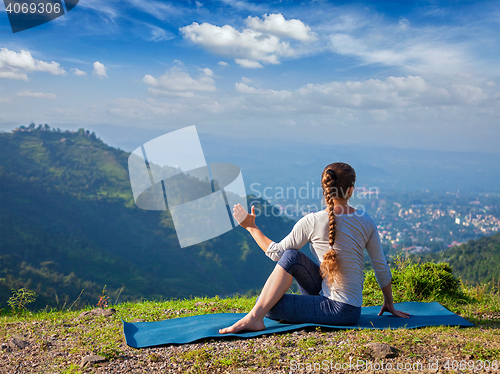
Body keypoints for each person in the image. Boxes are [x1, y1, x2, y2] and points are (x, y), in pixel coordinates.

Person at [219, 162, 409, 334]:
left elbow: (275, 253)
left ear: (324, 188)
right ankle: (258, 316)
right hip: (349, 308)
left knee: (270, 306)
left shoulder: (312, 220)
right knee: (291, 257)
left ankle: (254, 318)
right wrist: (389, 303)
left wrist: (251, 228)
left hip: (339, 311)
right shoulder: (366, 221)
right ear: (351, 190)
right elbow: (381, 267)